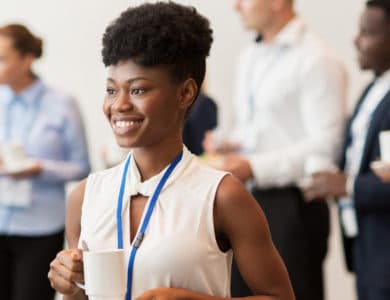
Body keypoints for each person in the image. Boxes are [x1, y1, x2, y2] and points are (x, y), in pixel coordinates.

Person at [47, 3, 295, 300]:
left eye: (137, 90)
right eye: (112, 90)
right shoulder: (85, 196)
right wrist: (70, 287)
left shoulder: (222, 196)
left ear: (186, 93)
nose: (119, 105)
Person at [203, 0, 346, 299]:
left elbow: (326, 145)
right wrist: (226, 145)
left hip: (292, 207)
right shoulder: (249, 56)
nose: (236, 6)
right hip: (249, 201)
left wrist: (253, 166)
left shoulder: (316, 58)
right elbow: (257, 128)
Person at [302, 1, 390, 299]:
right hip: (366, 252)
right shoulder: (373, 89)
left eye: (367, 33)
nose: (356, 40)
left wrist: (348, 185)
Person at [0, 24, 90, 300]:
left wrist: (40, 169)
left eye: (2, 59)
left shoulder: (62, 103)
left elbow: (81, 166)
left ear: (27, 59)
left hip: (40, 229)